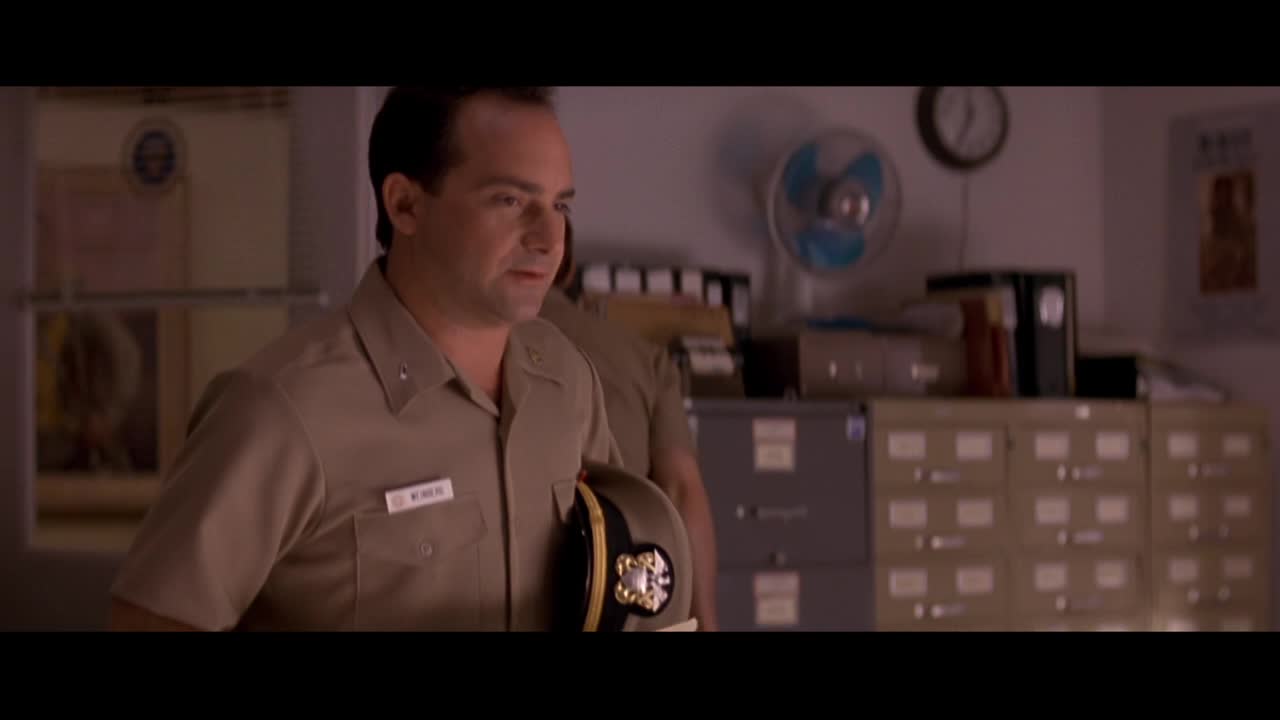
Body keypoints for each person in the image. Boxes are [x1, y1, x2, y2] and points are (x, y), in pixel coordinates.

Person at [107, 86, 623, 631]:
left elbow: (628, 564)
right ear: (404, 204)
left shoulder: (566, 378)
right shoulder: (281, 409)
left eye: (560, 205)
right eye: (511, 201)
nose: (550, 238)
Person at [538, 223, 720, 631]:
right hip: (629, 596)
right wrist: (706, 622)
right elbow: (682, 492)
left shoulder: (478, 342)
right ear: (569, 271)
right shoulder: (642, 356)